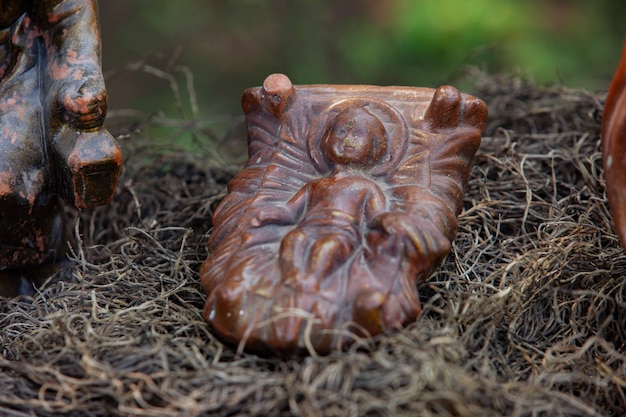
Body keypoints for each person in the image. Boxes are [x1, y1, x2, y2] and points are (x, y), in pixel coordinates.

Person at [0, 0, 119, 296]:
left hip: (22, 72)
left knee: (15, 173)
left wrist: (80, 79)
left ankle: (38, 266)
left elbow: (70, 14)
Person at [253, 106, 391, 293]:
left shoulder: (367, 187)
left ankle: (313, 280)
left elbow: (378, 216)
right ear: (326, 139)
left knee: (327, 247)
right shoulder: (316, 185)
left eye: (357, 135)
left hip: (341, 233)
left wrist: (389, 225)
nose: (347, 139)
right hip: (308, 228)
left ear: (375, 147)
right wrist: (270, 213)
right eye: (341, 132)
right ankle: (291, 277)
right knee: (293, 239)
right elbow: (291, 211)